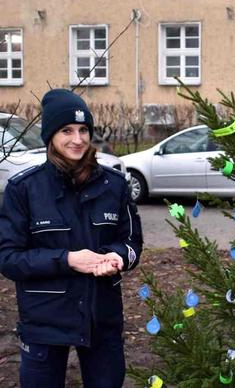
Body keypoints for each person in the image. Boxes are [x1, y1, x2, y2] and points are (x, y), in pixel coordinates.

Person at [0, 89, 143, 388]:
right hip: (44, 322)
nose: (77, 139)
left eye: (83, 130)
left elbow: (131, 242)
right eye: (66, 130)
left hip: (101, 318)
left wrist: (117, 257)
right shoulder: (24, 189)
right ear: (50, 135)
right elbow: (9, 258)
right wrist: (67, 260)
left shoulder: (114, 185)